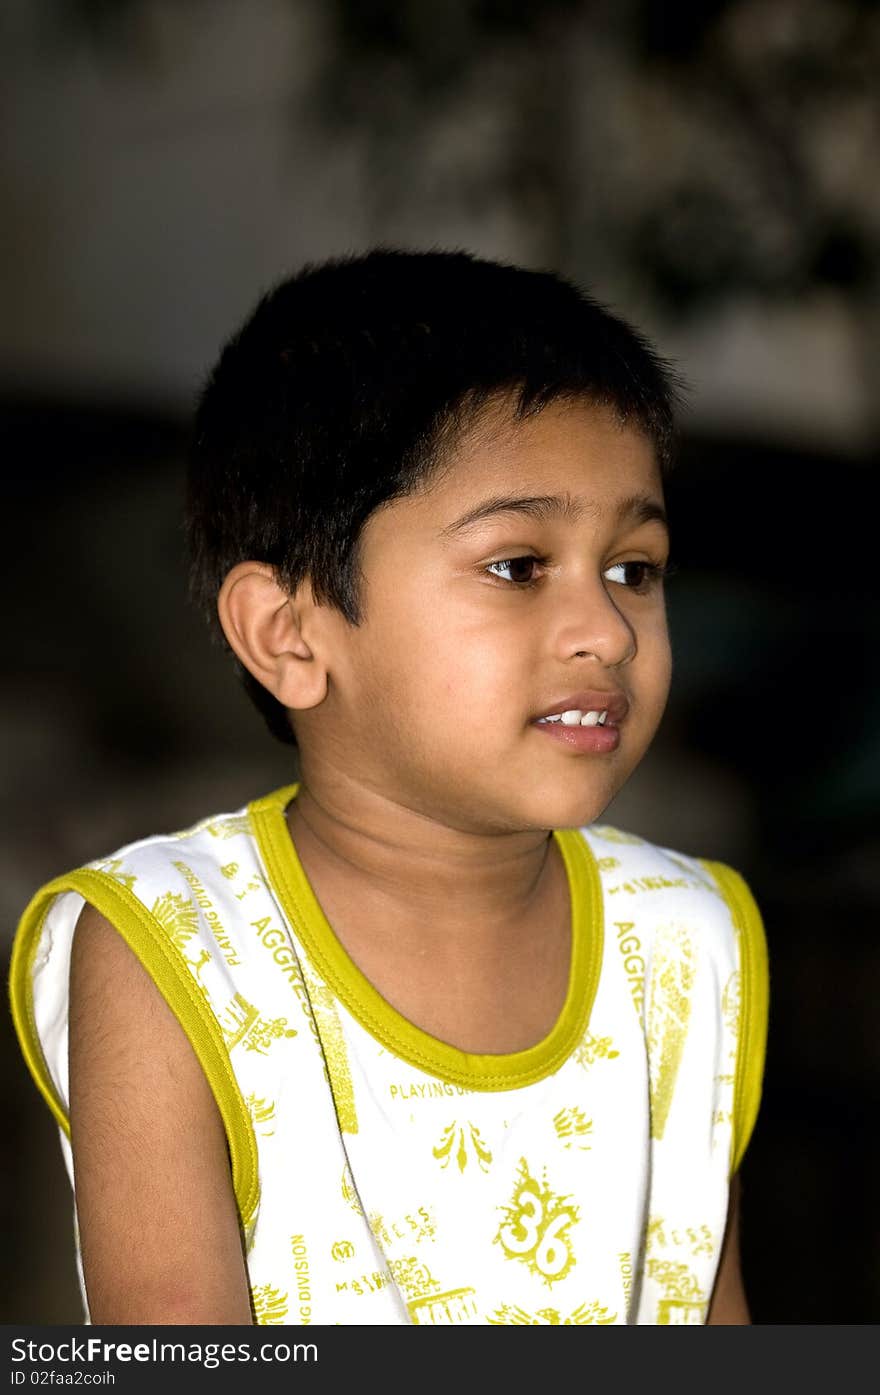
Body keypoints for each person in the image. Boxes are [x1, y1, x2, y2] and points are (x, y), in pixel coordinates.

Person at [9, 247, 768, 1327]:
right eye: (516, 566)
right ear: (288, 634)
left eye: (632, 569)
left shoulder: (688, 939)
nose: (605, 630)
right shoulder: (169, 949)